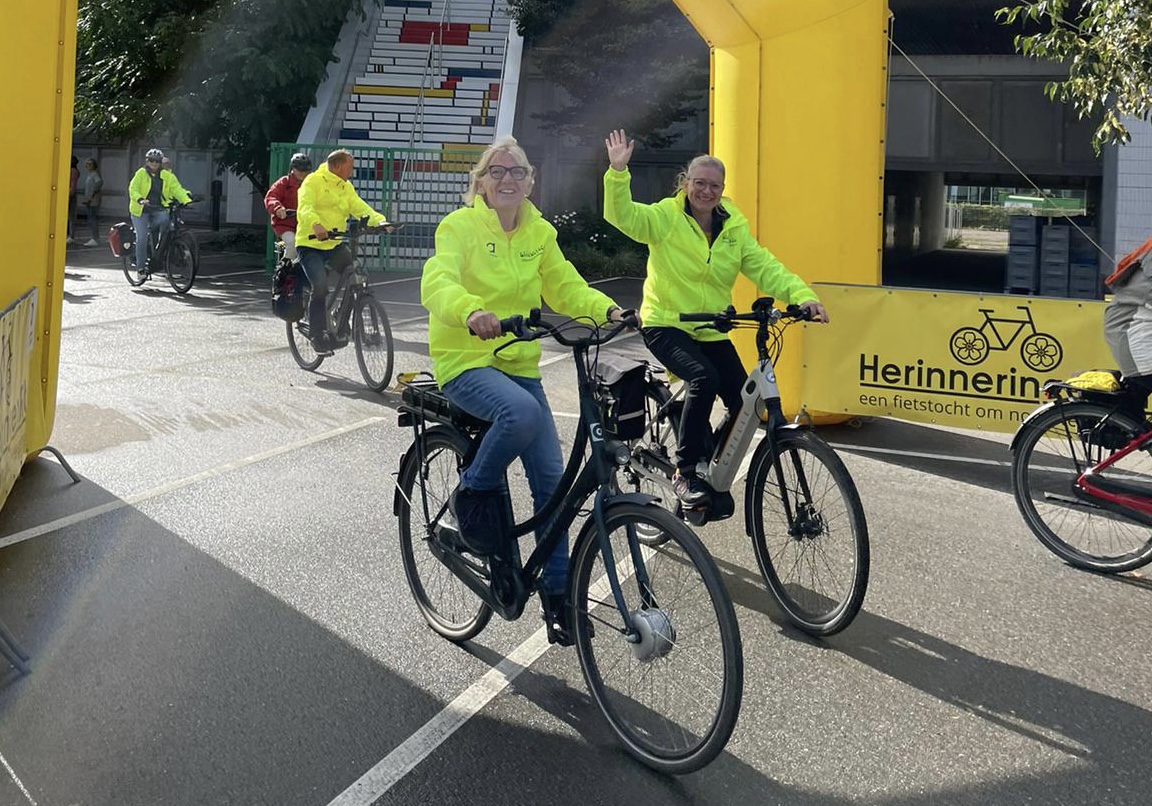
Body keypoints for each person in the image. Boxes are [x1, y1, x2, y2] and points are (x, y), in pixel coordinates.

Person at [421, 135, 630, 643]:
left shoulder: (538, 230)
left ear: (531, 181)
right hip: (466, 357)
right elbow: (437, 279)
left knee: (552, 484)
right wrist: (471, 310)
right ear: (481, 183)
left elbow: (565, 284)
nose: (507, 178)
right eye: (497, 171)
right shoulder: (460, 226)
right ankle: (472, 492)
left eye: (517, 171)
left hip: (518, 362)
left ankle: (559, 599)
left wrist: (609, 312)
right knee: (522, 414)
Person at [602, 128, 829, 508]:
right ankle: (685, 471)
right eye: (699, 183)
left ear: (723, 189)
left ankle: (708, 457)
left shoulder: (733, 227)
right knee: (703, 378)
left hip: (710, 327)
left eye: (715, 186)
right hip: (666, 323)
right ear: (686, 183)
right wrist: (618, 172)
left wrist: (804, 296)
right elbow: (623, 216)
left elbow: (765, 267)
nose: (706, 191)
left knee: (746, 401)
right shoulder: (665, 218)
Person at [295, 149, 390, 352]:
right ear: (337, 166)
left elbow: (359, 208)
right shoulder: (313, 181)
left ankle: (341, 317)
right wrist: (316, 225)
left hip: (334, 243)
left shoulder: (345, 187)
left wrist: (380, 221)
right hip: (310, 244)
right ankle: (317, 335)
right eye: (350, 167)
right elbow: (305, 207)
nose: (352, 171)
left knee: (354, 274)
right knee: (320, 286)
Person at [128, 148, 193, 278]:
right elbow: (132, 188)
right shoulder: (141, 173)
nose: (154, 163)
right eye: (151, 160)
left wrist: (186, 200)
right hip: (140, 211)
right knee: (142, 238)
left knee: (167, 222)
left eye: (157, 161)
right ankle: (140, 269)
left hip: (157, 209)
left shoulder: (167, 175)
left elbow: (177, 190)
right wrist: (140, 199)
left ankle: (160, 249)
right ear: (147, 161)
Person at [264, 153, 313, 262]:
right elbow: (271, 197)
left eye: (306, 171)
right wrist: (278, 209)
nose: (303, 174)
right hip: (285, 224)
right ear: (293, 169)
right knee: (292, 242)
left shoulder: (311, 184)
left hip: (305, 224)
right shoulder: (284, 183)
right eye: (300, 170)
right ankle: (285, 269)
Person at [80, 158, 103, 246]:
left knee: (92, 218)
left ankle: (95, 238)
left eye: (90, 164)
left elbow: (99, 182)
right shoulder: (90, 174)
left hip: (93, 200)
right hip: (90, 199)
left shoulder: (94, 174)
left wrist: (92, 194)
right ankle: (95, 237)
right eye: (87, 164)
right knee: (91, 218)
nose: (87, 166)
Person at [66, 155, 80, 244]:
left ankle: (71, 235)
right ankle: (70, 234)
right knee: (70, 216)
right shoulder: (74, 171)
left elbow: (73, 185)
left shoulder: (73, 171)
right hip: (70, 194)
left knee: (71, 216)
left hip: (70, 195)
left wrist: (69, 195)